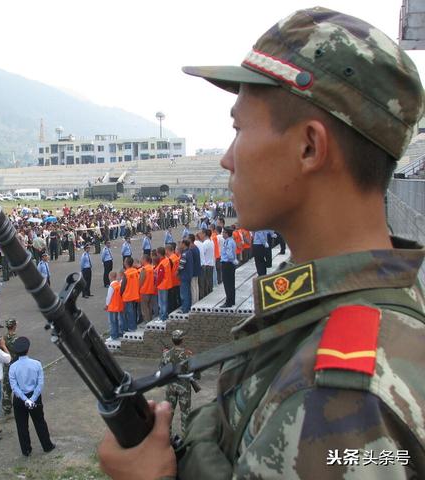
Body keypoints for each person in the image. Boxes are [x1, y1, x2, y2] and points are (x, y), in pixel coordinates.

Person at [99, 7, 425, 479]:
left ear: (309, 147)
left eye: (238, 129)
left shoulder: (340, 400)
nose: (228, 159)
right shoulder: (364, 308)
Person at [9, 337, 55, 456]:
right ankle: (47, 445)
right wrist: (32, 399)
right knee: (40, 421)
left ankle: (26, 450)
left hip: (19, 399)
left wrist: (25, 399)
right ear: (28, 349)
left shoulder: (13, 367)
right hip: (34, 396)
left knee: (21, 425)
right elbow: (39, 384)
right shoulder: (36, 364)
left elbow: (14, 386)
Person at [159, 330, 196, 434]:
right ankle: (185, 437)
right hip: (184, 386)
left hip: (171, 386)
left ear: (172, 340)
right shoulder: (188, 354)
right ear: (182, 340)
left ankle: (168, 437)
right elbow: (196, 373)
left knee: (169, 413)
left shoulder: (166, 354)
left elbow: (161, 369)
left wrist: (165, 355)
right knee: (186, 413)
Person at [1, 317, 18, 417]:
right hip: (15, 365)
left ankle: (7, 407)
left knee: (6, 388)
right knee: (18, 386)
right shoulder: (17, 338)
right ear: (14, 326)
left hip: (7, 366)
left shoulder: (3, 338)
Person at [220, 227, 237, 308]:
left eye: (223, 232)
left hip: (227, 264)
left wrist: (232, 259)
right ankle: (232, 300)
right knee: (231, 283)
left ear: (227, 233)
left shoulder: (228, 242)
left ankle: (228, 302)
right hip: (230, 264)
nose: (222, 234)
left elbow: (229, 254)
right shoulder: (231, 241)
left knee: (227, 284)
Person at [105, 271, 123, 340]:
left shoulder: (111, 286)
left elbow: (109, 297)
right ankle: (118, 333)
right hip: (118, 305)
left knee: (112, 321)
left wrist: (106, 305)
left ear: (110, 277)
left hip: (112, 306)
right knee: (116, 320)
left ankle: (113, 335)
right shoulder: (118, 284)